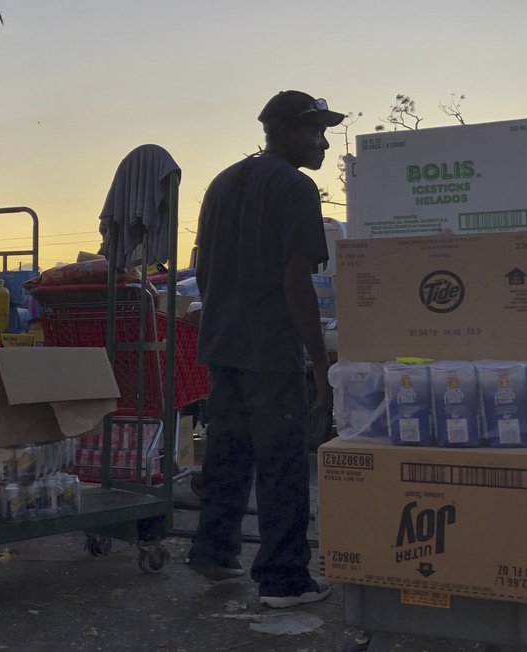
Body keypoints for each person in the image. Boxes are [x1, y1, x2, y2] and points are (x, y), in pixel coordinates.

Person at [187, 90, 340, 608]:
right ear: (288, 132)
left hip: (223, 342)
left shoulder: (222, 182)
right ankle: (283, 579)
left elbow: (204, 269)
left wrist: (223, 319)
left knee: (228, 453)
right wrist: (320, 363)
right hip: (270, 350)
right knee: (283, 462)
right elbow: (296, 280)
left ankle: (214, 551)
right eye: (317, 132)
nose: (323, 143)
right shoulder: (296, 188)